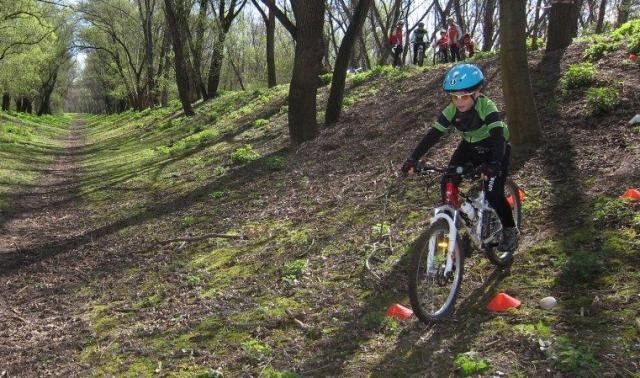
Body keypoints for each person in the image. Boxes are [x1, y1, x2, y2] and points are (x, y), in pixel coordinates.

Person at [401, 63, 518, 252]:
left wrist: (494, 164)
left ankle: (510, 229)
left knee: (493, 193)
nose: (459, 101)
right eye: (454, 96)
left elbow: (497, 137)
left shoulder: (486, 106)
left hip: (495, 147)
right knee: (447, 181)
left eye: (464, 96)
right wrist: (413, 158)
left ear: (477, 91)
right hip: (470, 146)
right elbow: (433, 135)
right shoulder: (451, 110)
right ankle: (460, 227)